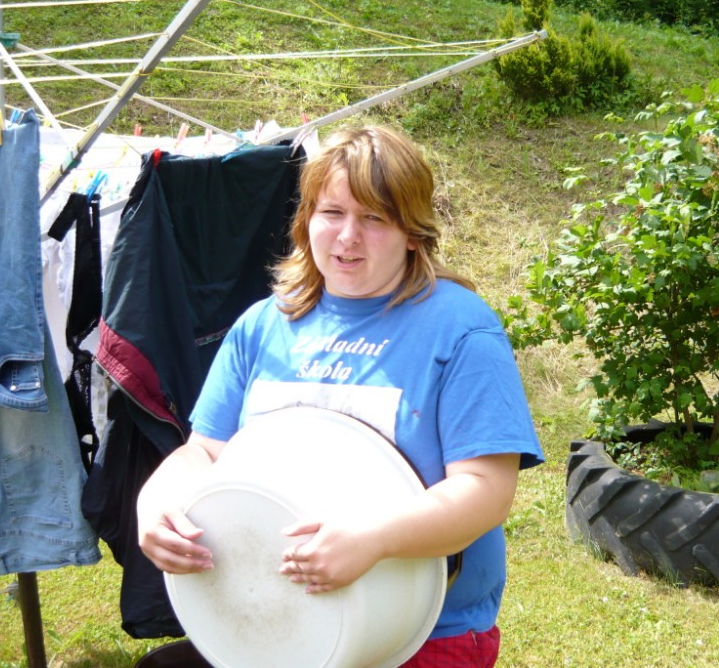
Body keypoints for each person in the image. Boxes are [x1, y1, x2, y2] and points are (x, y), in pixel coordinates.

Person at [136, 124, 544, 667]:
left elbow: (485, 490)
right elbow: (205, 452)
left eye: (374, 218)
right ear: (306, 220)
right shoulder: (263, 325)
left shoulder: (461, 330)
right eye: (332, 213)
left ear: (413, 233)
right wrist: (154, 504)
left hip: (419, 632)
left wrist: (373, 539)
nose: (348, 236)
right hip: (279, 623)